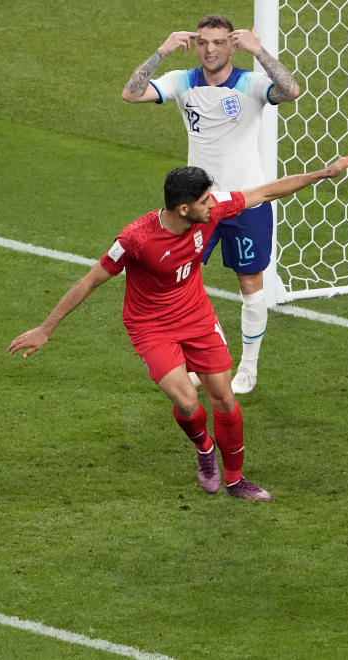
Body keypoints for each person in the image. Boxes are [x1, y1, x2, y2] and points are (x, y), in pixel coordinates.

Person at [8, 156, 348, 500]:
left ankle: (236, 480)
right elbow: (90, 281)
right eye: (205, 201)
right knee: (186, 399)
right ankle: (204, 448)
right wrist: (46, 328)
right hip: (150, 327)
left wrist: (325, 173)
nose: (213, 205)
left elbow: (266, 193)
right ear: (183, 209)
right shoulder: (136, 239)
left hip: (196, 317)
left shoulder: (212, 211)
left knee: (224, 399)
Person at [121, 14, 303, 395]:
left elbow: (290, 91)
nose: (210, 49)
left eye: (219, 42)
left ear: (232, 45)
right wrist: (162, 51)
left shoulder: (250, 84)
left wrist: (261, 51)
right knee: (180, 281)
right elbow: (132, 93)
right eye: (203, 42)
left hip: (245, 201)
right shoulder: (181, 81)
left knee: (250, 282)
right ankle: (189, 360)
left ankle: (248, 368)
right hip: (197, 205)